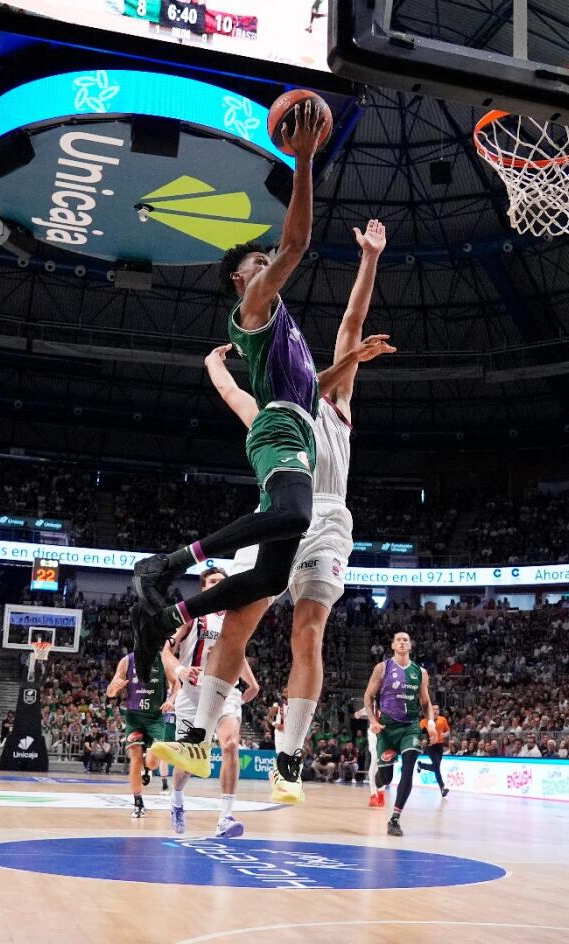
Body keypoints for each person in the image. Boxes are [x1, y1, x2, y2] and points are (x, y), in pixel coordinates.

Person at [158, 220, 393, 804]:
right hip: (278, 508)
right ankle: (196, 739)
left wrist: (369, 258)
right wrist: (214, 365)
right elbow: (236, 396)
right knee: (235, 622)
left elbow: (351, 323)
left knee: (306, 632)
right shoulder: (274, 411)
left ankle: (289, 761)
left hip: (327, 518)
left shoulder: (334, 401)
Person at [131, 100, 332, 774]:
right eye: (259, 261)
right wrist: (302, 161)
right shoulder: (254, 307)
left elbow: (293, 387)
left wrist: (351, 362)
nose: (270, 262)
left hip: (291, 427)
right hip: (281, 430)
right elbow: (297, 244)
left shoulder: (284, 336)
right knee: (296, 514)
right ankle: (169, 562)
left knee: (269, 577)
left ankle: (176, 615)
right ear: (243, 280)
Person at [167, 568, 260, 838]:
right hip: (192, 693)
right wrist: (180, 670)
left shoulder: (235, 618)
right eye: (213, 581)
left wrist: (252, 682)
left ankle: (225, 818)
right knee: (189, 762)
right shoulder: (192, 615)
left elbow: (236, 653)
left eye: (222, 581)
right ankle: (177, 799)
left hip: (224, 689)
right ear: (204, 587)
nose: (218, 584)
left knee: (230, 744)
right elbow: (166, 651)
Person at [363, 631, 437, 837]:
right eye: (399, 640)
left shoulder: (420, 672)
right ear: (393, 645)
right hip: (387, 728)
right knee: (386, 778)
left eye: (406, 640)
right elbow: (368, 696)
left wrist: (430, 723)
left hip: (410, 726)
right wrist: (373, 721)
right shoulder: (382, 668)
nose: (402, 642)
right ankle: (378, 780)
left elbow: (426, 702)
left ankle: (395, 819)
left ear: (410, 646)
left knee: (409, 767)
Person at [104, 645, 182, 819]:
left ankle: (148, 768)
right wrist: (115, 688)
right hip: (134, 718)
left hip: (155, 717)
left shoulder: (162, 659)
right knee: (135, 759)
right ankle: (138, 803)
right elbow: (110, 692)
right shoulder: (127, 661)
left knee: (153, 763)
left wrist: (171, 699)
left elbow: (177, 683)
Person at [419, 706, 451, 798]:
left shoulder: (443, 719)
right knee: (436, 767)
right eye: (433, 709)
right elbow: (421, 734)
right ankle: (442, 787)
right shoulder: (424, 721)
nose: (436, 711)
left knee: (436, 767)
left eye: (437, 709)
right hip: (430, 746)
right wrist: (423, 741)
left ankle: (421, 765)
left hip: (439, 746)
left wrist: (445, 734)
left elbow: (448, 731)